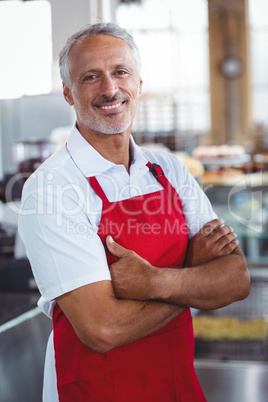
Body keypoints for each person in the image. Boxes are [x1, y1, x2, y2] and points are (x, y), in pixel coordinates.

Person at [18, 22, 250, 402]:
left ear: (139, 83)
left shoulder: (169, 169)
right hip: (96, 390)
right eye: (90, 77)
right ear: (67, 92)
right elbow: (102, 328)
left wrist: (155, 281)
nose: (110, 89)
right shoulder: (52, 188)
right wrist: (194, 274)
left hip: (176, 384)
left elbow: (236, 280)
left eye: (121, 72)